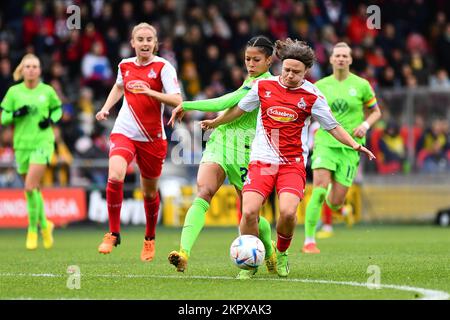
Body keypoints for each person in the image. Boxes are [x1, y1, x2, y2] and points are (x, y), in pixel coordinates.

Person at [200, 38, 375, 277]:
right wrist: (215, 121)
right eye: (287, 70)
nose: (290, 75)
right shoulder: (263, 87)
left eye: (296, 72)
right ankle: (249, 265)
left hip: (292, 165)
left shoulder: (312, 96)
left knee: (289, 213)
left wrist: (355, 144)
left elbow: (333, 126)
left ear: (306, 72)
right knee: (249, 211)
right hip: (261, 161)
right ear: (281, 65)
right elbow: (239, 109)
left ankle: (281, 253)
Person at [167, 36, 277, 280]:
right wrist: (216, 123)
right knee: (204, 191)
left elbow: (225, 101)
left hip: (246, 152)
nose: (250, 63)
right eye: (247, 59)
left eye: (256, 59)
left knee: (250, 215)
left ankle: (267, 249)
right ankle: (184, 252)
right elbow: (230, 107)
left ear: (269, 60)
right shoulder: (249, 80)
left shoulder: (265, 84)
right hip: (221, 143)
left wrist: (187, 104)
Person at [95, 23, 182, 261]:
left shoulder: (164, 67)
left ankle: (150, 239)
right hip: (125, 131)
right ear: (132, 42)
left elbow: (177, 99)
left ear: (155, 43)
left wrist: (151, 92)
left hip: (153, 138)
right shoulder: (124, 65)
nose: (145, 43)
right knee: (115, 175)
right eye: (140, 39)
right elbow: (119, 86)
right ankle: (113, 232)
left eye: (149, 39)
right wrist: (105, 108)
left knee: (149, 193)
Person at [303, 42, 381, 250]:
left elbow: (376, 112)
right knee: (318, 189)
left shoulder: (362, 85)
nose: (341, 59)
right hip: (326, 143)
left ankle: (340, 209)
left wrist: (365, 124)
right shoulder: (320, 86)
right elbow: (307, 113)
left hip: (351, 147)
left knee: (335, 201)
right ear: (330, 59)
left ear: (350, 59)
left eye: (345, 56)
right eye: (337, 55)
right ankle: (309, 241)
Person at [0, 53, 62, 250]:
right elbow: (4, 118)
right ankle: (46, 225)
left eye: (35, 66)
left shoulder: (47, 91)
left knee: (28, 187)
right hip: (22, 145)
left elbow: (58, 109)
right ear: (22, 69)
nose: (31, 69)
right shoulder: (14, 92)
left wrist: (51, 119)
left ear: (40, 70)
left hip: (43, 143)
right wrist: (16, 114)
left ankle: (32, 230)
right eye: (27, 66)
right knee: (33, 190)